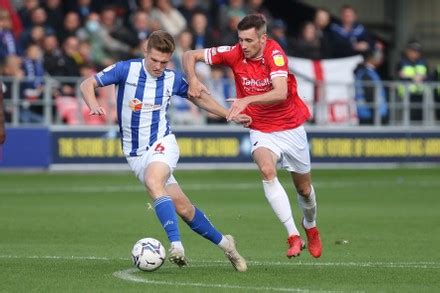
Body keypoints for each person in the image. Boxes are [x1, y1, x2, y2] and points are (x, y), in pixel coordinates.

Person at [80, 30, 249, 271]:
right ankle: (227, 245)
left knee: (153, 181)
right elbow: (88, 83)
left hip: (163, 142)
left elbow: (199, 99)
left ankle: (176, 246)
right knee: (183, 208)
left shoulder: (171, 79)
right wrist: (93, 104)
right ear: (145, 52)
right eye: (154, 60)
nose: (159, 66)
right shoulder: (125, 70)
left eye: (164, 62)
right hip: (135, 154)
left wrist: (228, 114)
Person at [183, 14, 322, 259]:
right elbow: (189, 55)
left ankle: (310, 227)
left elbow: (279, 93)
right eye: (240, 40)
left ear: (263, 39)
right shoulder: (234, 52)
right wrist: (193, 80)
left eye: (248, 40)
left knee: (304, 190)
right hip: (260, 127)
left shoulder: (275, 54)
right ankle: (292, 235)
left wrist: (246, 99)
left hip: (290, 127)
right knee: (267, 171)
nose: (243, 46)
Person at [354, 49, 388, 125]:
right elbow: (369, 94)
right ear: (372, 59)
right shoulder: (366, 74)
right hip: (370, 115)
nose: (380, 60)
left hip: (369, 113)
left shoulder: (367, 72)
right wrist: (375, 112)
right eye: (379, 58)